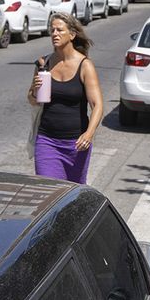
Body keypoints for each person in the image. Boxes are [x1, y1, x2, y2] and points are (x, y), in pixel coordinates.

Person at [25, 12, 103, 184]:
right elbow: (33, 100)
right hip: (47, 141)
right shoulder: (43, 63)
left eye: (59, 30)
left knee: (73, 193)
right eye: (52, 30)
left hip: (76, 144)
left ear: (72, 34)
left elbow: (97, 105)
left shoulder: (85, 66)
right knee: (48, 191)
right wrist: (35, 90)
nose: (54, 34)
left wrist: (89, 134)